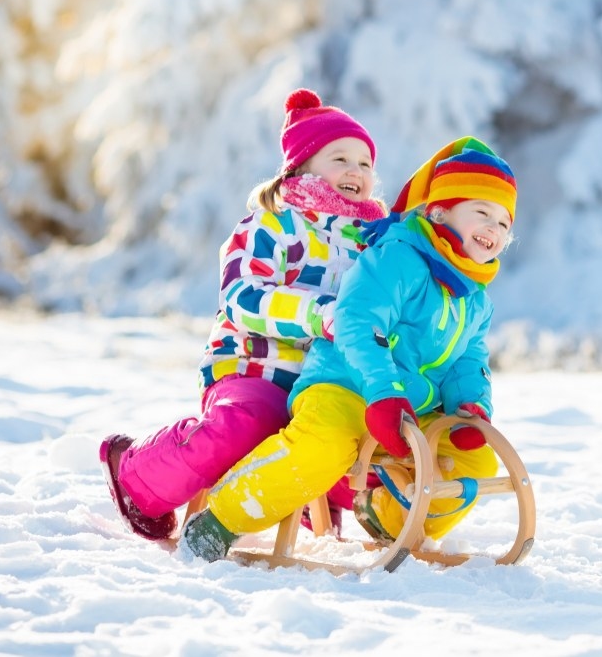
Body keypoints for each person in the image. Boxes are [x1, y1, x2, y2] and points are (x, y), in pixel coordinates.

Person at [180, 136, 518, 561]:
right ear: (439, 211)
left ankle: (389, 516)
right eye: (482, 213)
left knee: (476, 462)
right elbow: (359, 323)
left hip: (408, 403)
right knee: (322, 448)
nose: (493, 228)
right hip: (346, 384)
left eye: (504, 223)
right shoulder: (399, 257)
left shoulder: (475, 298)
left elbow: (468, 359)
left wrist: (471, 402)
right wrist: (382, 391)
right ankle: (221, 519)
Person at [99, 88, 387, 541]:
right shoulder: (273, 223)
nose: (357, 171)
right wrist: (318, 315)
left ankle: (316, 496)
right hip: (255, 370)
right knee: (247, 425)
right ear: (303, 164)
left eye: (366, 164)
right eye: (341, 159)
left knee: (362, 437)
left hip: (325, 384)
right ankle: (137, 476)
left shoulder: (368, 241)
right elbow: (243, 297)